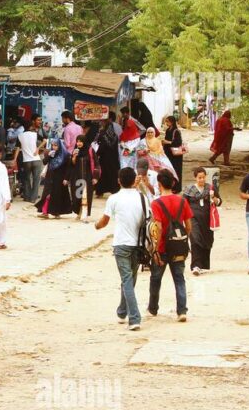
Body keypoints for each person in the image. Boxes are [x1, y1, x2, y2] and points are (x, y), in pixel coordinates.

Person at [94, 167, 148, 331]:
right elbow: (149, 219)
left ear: (119, 181)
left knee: (126, 281)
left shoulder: (114, 199)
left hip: (121, 243)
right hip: (138, 245)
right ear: (134, 181)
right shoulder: (142, 198)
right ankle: (122, 310)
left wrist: (96, 225)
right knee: (130, 280)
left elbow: (104, 221)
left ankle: (134, 318)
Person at [147, 169, 193, 321]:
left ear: (159, 184)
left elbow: (158, 227)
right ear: (173, 183)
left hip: (162, 247)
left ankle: (153, 308)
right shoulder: (182, 201)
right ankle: (182, 310)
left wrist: (155, 248)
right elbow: (188, 225)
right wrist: (183, 239)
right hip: (178, 245)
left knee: (156, 279)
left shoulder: (156, 203)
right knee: (179, 278)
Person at [183, 166, 221, 275]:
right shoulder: (189, 189)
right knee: (195, 239)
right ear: (195, 178)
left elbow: (219, 201)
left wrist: (215, 199)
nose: (202, 180)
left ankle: (203, 265)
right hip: (193, 218)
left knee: (206, 240)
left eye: (203, 177)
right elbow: (184, 204)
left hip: (207, 218)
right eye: (199, 178)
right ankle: (195, 265)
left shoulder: (210, 188)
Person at [66, 134, 99, 221]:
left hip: (87, 177)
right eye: (77, 141)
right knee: (77, 196)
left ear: (84, 142)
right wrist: (73, 157)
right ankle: (79, 212)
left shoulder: (90, 151)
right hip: (77, 178)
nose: (79, 143)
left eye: (80, 141)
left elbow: (96, 164)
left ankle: (84, 214)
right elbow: (71, 165)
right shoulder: (75, 151)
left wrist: (95, 177)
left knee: (85, 196)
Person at [36, 140, 73, 218]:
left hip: (59, 178)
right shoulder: (52, 154)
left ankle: (57, 213)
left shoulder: (66, 155)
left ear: (60, 146)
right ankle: (45, 212)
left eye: (56, 145)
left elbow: (68, 168)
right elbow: (44, 162)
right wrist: (48, 156)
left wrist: (66, 178)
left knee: (57, 195)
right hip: (50, 177)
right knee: (46, 194)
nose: (54, 147)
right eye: (53, 145)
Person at [19, 115, 45, 203]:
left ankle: (27, 197)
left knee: (26, 179)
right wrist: (38, 148)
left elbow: (18, 148)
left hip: (26, 160)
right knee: (36, 179)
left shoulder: (20, 135)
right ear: (31, 126)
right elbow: (45, 140)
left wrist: (14, 159)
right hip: (36, 159)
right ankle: (33, 198)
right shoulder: (35, 134)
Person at [94, 115, 121, 196]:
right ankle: (114, 190)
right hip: (114, 159)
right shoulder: (115, 136)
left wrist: (97, 153)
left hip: (104, 159)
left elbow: (101, 147)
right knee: (113, 175)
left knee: (103, 175)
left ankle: (100, 191)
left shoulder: (103, 134)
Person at [162, 116, 185, 191]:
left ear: (171, 122)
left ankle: (177, 188)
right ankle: (171, 186)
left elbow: (178, 143)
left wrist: (167, 142)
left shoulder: (176, 131)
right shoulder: (168, 130)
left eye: (167, 121)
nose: (166, 123)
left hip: (176, 156)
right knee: (170, 170)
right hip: (169, 154)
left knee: (176, 170)